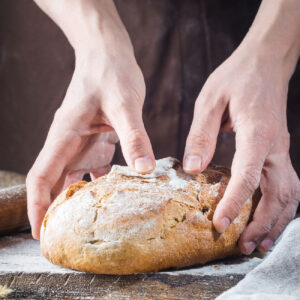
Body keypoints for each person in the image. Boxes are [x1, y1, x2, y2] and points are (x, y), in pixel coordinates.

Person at [26, 0, 300, 256]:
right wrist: (96, 41)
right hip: (122, 39)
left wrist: (273, 50)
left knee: (255, 200)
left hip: (266, 51)